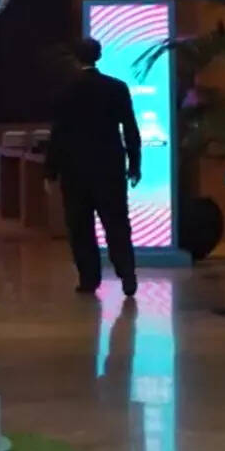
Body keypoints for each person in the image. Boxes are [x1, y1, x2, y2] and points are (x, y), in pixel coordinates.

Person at [45, 38, 142, 297]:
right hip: (109, 166)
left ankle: (89, 278)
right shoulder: (117, 88)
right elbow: (130, 128)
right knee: (116, 222)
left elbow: (58, 134)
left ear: (76, 58)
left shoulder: (65, 91)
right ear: (98, 56)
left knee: (80, 226)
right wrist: (135, 163)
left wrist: (50, 170)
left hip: (74, 169)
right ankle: (127, 274)